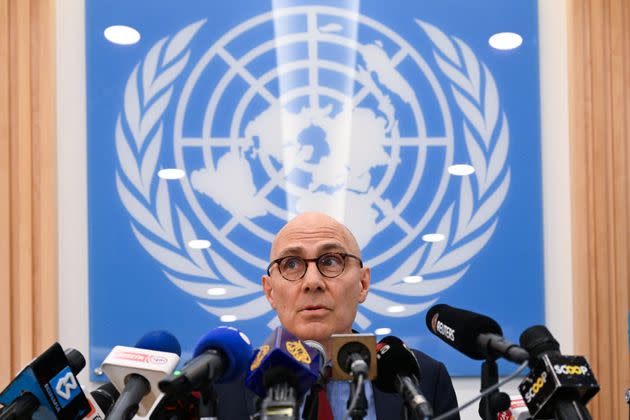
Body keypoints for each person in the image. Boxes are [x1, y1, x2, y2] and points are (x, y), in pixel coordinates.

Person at [214, 212, 460, 419]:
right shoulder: (224, 387)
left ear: (363, 284)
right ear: (270, 292)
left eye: (331, 261)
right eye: (291, 264)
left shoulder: (422, 376)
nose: (312, 282)